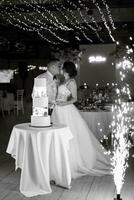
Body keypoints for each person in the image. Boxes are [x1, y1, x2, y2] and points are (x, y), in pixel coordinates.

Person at [52, 61, 111, 179]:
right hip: (58, 110)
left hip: (66, 110)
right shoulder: (63, 80)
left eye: (62, 67)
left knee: (70, 135)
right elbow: (59, 95)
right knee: (57, 135)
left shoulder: (72, 82)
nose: (61, 69)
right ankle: (59, 160)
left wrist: (63, 104)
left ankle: (72, 162)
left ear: (66, 69)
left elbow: (74, 99)